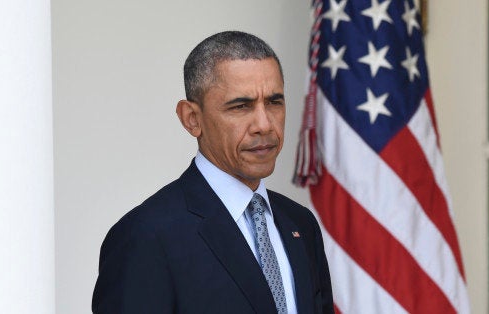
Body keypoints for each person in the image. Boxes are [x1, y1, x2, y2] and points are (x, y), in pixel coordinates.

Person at [91, 31, 334, 314]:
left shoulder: (300, 224)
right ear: (192, 119)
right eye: (241, 106)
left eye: (274, 102)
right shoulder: (146, 236)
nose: (264, 124)